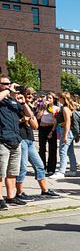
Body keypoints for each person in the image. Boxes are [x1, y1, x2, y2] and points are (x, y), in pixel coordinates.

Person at [13, 90, 61, 200]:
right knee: (22, 168)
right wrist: (22, 120)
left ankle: (45, 191)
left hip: (29, 140)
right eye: (27, 94)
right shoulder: (15, 107)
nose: (30, 96)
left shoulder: (29, 107)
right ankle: (19, 193)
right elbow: (12, 123)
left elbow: (35, 126)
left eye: (31, 95)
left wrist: (29, 118)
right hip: (21, 139)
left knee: (39, 165)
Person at [0, 77, 34, 209]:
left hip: (16, 140)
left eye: (9, 83)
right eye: (5, 84)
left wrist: (24, 103)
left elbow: (30, 115)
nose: (9, 86)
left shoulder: (12, 101)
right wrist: (8, 90)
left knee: (12, 172)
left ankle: (11, 197)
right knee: (0, 173)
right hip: (2, 139)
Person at [36, 92, 58, 175]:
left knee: (52, 149)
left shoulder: (56, 108)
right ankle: (42, 167)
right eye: (47, 98)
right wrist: (43, 107)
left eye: (50, 98)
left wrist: (51, 130)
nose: (48, 100)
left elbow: (55, 121)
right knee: (42, 148)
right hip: (42, 129)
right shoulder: (41, 107)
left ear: (53, 99)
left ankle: (51, 168)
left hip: (51, 129)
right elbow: (38, 117)